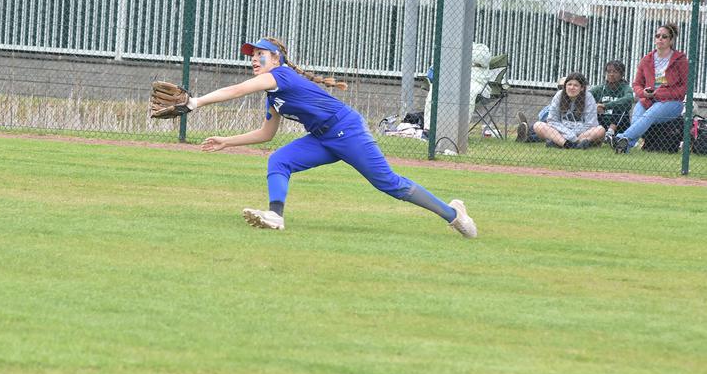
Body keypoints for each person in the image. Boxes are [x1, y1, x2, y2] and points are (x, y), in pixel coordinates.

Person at [191, 37, 477, 238]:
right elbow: (266, 134)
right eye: (252, 56)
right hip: (321, 138)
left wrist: (196, 102)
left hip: (347, 131)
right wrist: (228, 141)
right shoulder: (273, 94)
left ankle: (454, 216)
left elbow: (237, 90)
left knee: (390, 185)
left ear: (276, 58)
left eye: (259, 54)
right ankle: (275, 216)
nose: (254, 59)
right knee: (279, 160)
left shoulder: (281, 76)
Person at [612, 22, 689, 153]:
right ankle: (624, 146)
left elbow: (684, 87)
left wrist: (660, 94)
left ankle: (620, 137)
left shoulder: (680, 60)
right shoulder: (646, 60)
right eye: (658, 35)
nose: (660, 39)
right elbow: (636, 84)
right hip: (648, 99)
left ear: (671, 40)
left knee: (649, 114)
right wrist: (643, 93)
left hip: (671, 103)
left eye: (664, 36)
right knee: (637, 116)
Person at [530, 72, 604, 149]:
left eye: (576, 85)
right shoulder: (559, 95)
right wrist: (567, 133)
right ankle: (569, 144)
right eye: (569, 84)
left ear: (582, 88)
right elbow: (552, 120)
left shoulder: (588, 97)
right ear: (565, 86)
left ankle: (559, 143)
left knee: (600, 130)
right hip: (562, 132)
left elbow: (591, 124)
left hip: (582, 133)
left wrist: (573, 134)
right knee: (538, 125)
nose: (572, 87)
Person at [591, 60, 634, 140]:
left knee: (622, 105)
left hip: (620, 125)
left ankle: (610, 132)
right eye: (609, 71)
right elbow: (586, 96)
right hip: (601, 122)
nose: (611, 74)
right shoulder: (600, 89)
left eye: (615, 72)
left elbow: (629, 99)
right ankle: (603, 133)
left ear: (622, 74)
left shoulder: (626, 88)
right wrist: (595, 106)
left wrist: (605, 106)